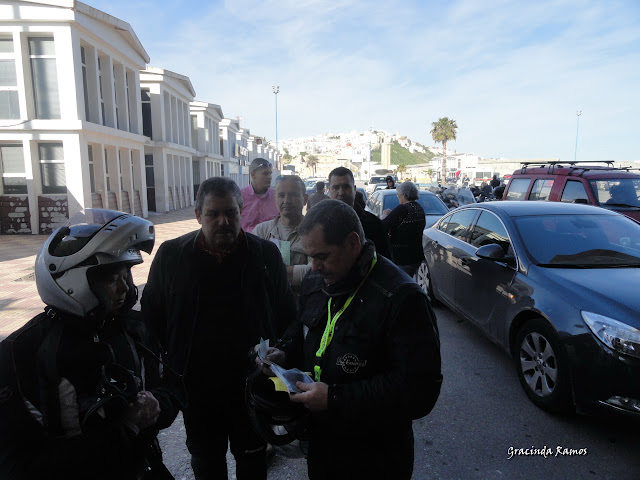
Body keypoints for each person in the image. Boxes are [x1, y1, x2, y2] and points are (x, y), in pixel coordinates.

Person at [260, 200, 442, 479]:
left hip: (377, 457)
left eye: (322, 256)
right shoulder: (316, 280)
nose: (314, 266)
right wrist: (284, 352)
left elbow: (420, 392)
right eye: (310, 257)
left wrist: (335, 398)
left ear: (353, 243)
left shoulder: (402, 298)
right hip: (323, 446)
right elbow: (303, 326)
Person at [0, 209, 177, 480]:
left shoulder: (132, 327)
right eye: (110, 277)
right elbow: (19, 465)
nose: (125, 288)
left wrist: (155, 406)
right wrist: (126, 427)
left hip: (145, 467)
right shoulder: (21, 351)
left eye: (126, 274)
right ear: (72, 280)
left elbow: (171, 386)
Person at [141, 177, 297, 480]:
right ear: (199, 215)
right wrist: (171, 367)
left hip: (251, 389)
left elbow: (288, 317)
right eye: (213, 214)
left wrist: (282, 351)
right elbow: (151, 318)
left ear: (241, 210)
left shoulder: (265, 255)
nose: (224, 221)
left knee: (253, 464)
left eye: (231, 213)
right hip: (197, 392)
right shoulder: (172, 256)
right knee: (207, 464)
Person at [253, 175, 311, 291]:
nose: (286, 200)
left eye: (293, 195)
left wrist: (272, 271)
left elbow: (316, 271)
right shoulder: (261, 231)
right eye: (281, 195)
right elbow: (250, 268)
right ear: (275, 199)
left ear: (305, 199)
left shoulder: (314, 233)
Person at [327, 166, 393, 260]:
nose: (341, 192)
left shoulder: (374, 224)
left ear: (354, 189)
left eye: (346, 187)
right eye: (336, 187)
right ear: (329, 190)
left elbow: (388, 265)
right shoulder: (322, 225)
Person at [382, 181, 426, 276]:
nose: (398, 196)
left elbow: (383, 226)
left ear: (403, 195)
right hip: (416, 256)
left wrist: (385, 215)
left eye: (398, 194)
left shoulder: (402, 209)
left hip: (402, 257)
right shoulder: (419, 208)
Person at [240, 157, 279, 232]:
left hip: (271, 241)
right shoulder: (240, 196)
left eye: (270, 173)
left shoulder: (276, 196)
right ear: (253, 175)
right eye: (265, 173)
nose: (269, 177)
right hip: (247, 241)